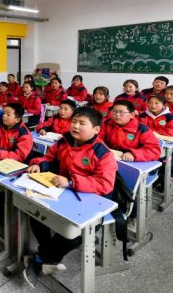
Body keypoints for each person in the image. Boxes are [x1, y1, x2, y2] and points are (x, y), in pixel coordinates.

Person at [27, 106, 117, 276]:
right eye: (74, 121)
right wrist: (39, 165)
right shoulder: (64, 140)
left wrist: (71, 181)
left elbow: (104, 184)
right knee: (35, 214)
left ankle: (43, 258)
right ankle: (47, 257)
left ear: (96, 129)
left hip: (90, 199)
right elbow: (49, 158)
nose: (75, 126)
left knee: (72, 235)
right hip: (63, 191)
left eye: (82, 123)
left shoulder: (102, 153)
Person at [0, 103, 32, 223]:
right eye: (4, 113)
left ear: (17, 119)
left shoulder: (24, 133)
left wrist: (0, 154)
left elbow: (20, 155)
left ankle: (5, 217)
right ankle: (2, 213)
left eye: (8, 114)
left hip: (15, 170)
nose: (4, 116)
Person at [139, 94, 173, 183]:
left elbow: (172, 133)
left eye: (156, 103)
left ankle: (169, 175)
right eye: (150, 103)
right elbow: (136, 128)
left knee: (169, 157)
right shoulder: (142, 115)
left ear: (164, 105)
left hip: (165, 144)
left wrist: (154, 134)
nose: (152, 105)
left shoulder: (170, 117)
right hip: (145, 143)